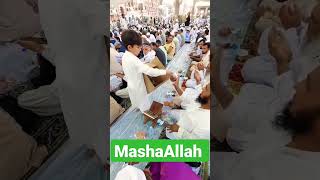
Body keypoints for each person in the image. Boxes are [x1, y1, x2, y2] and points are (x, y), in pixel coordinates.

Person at [226, 65, 320, 180]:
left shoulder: (280, 172)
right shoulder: (295, 124)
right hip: (237, 163)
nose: (297, 86)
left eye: (308, 86)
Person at [121, 30, 174, 111]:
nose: (140, 49)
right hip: (139, 89)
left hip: (133, 87)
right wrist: (165, 72)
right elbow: (150, 71)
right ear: (129, 47)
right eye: (138, 47)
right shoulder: (133, 60)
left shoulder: (125, 56)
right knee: (144, 108)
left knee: (138, 106)